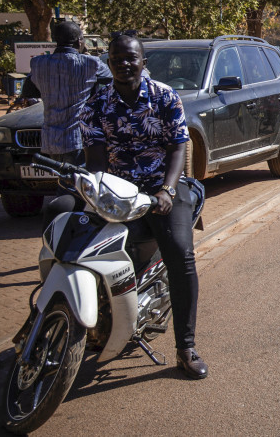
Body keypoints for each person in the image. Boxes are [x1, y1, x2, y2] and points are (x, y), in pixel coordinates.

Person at [79, 34, 208, 379]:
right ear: (108, 63)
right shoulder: (95, 105)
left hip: (162, 186)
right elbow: (94, 160)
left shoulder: (165, 97)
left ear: (142, 62)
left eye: (130, 58)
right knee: (74, 234)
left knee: (181, 254)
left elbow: (178, 149)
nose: (123, 63)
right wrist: (95, 194)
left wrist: (166, 190)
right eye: (116, 58)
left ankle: (186, 347)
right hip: (117, 190)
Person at [27, 21, 112, 166]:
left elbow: (28, 90)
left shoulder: (37, 63)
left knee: (63, 181)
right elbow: (114, 77)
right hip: (77, 139)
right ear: (80, 41)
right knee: (79, 185)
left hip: (50, 140)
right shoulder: (91, 63)